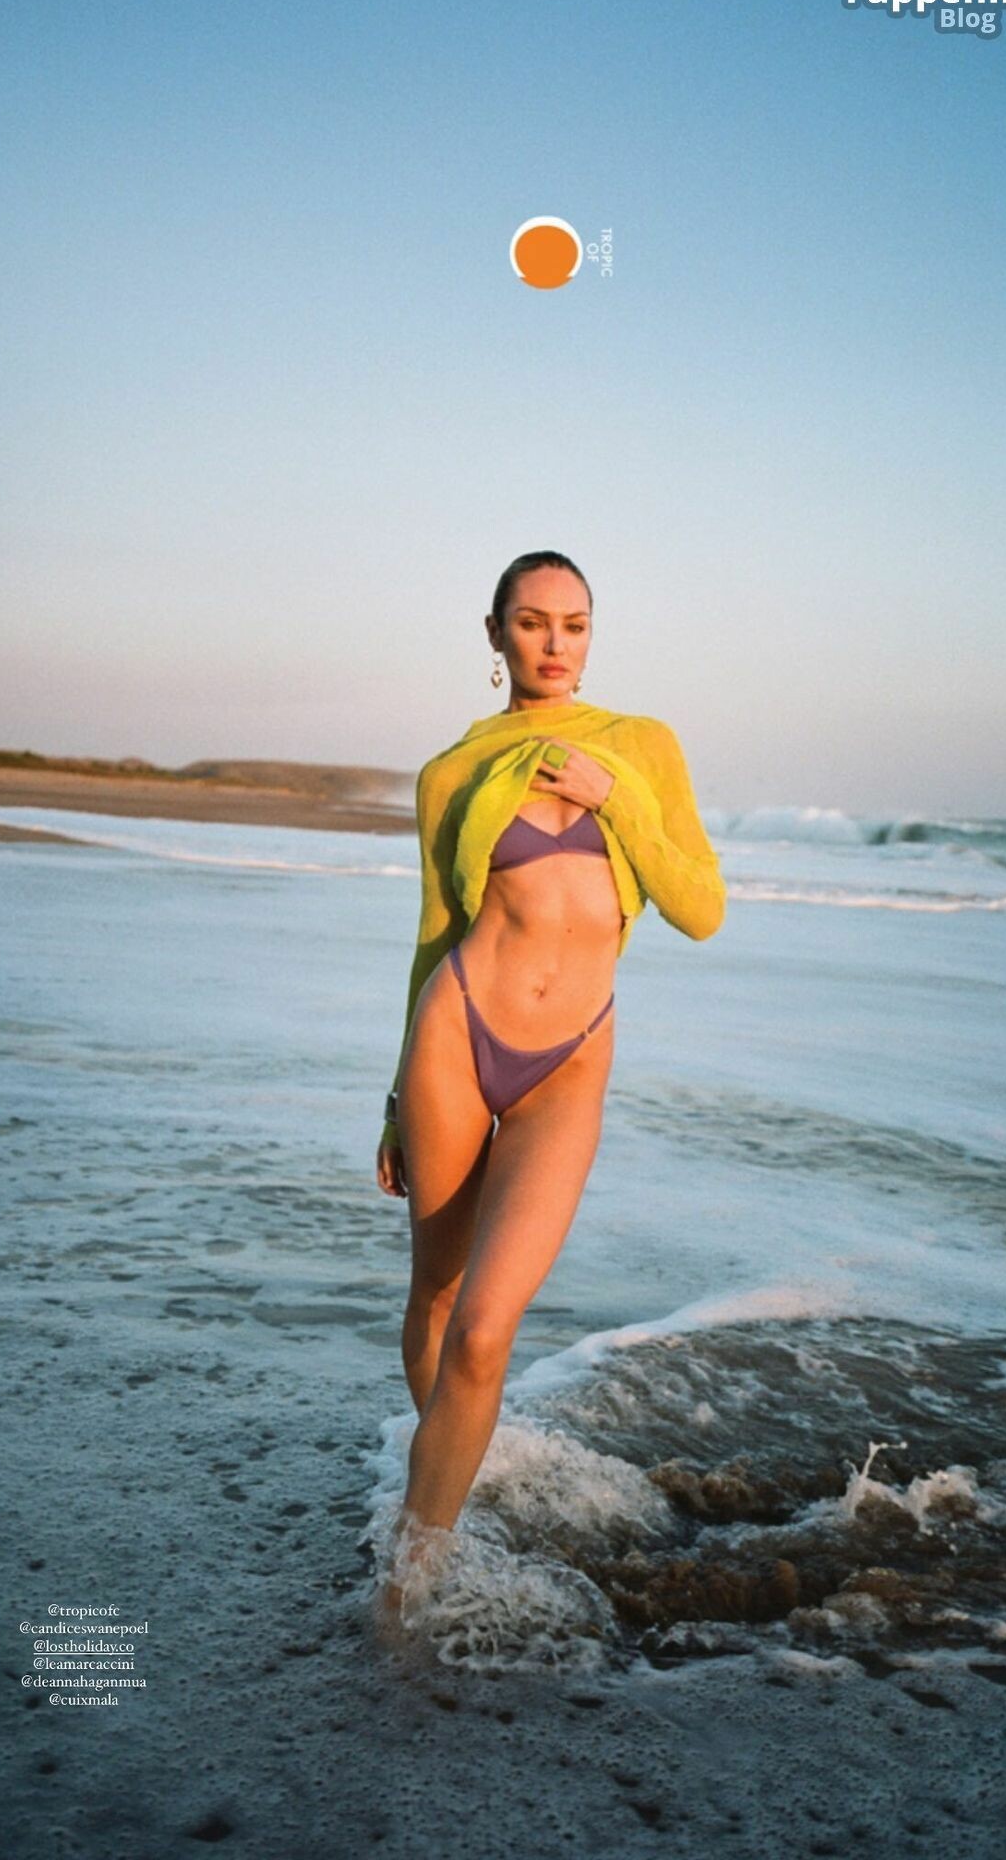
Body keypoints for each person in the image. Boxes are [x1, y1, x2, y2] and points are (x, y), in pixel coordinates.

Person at [374, 551, 726, 1596]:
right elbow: (435, 932)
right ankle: (426, 1544)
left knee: (485, 1331)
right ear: (496, 635)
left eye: (574, 624)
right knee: (436, 1295)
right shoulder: (452, 772)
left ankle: (421, 1552)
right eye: (532, 623)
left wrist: (615, 801)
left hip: (567, 1065)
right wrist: (394, 1098)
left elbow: (701, 908)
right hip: (455, 1034)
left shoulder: (641, 746)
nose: (555, 643)